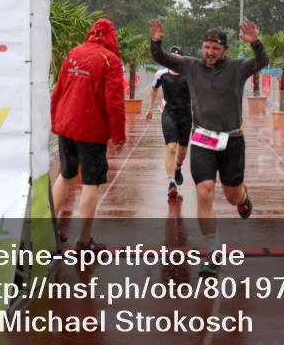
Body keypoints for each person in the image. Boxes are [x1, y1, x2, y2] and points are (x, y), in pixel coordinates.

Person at [149, 19, 269, 275]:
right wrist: (157, 41)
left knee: (231, 195)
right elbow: (161, 57)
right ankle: (212, 254)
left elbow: (262, 61)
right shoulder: (190, 66)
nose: (210, 52)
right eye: (206, 47)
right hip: (203, 138)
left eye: (215, 48)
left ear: (224, 49)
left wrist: (256, 43)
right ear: (201, 47)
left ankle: (242, 196)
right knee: (204, 191)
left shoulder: (237, 68)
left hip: (232, 139)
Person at [50, 18, 127, 250]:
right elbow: (114, 101)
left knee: (65, 174)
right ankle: (84, 240)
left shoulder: (74, 53)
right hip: (91, 128)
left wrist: (55, 120)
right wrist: (119, 135)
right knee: (91, 182)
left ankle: (49, 231)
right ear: (111, 36)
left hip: (66, 125)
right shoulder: (110, 60)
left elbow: (58, 90)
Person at [145, 46, 192, 200]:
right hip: (168, 113)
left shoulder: (189, 74)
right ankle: (171, 183)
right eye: (172, 56)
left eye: (177, 57)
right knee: (171, 147)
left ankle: (178, 167)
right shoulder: (161, 74)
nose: (174, 59)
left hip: (185, 115)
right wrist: (150, 107)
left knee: (182, 150)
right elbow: (154, 89)